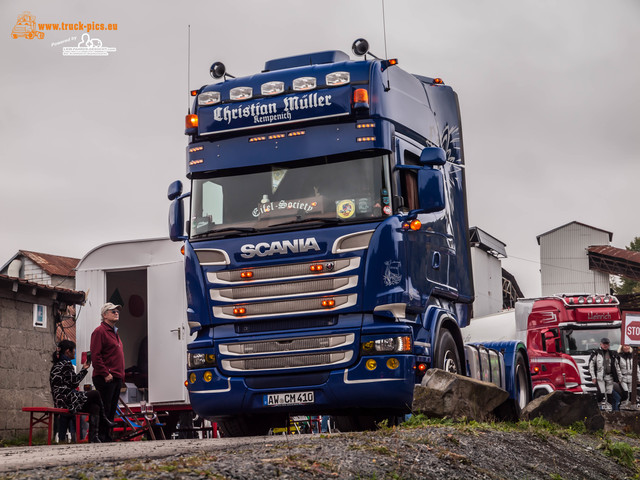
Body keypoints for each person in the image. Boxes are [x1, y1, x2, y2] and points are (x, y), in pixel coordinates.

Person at [50, 340, 114, 443]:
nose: (75, 352)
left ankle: (94, 437)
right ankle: (104, 419)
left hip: (61, 400)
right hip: (67, 400)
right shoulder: (66, 363)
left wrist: (84, 369)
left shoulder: (57, 364)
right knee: (95, 393)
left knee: (95, 407)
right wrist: (84, 369)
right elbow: (74, 383)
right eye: (73, 350)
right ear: (68, 351)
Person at [90, 302, 125, 442]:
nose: (116, 313)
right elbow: (95, 355)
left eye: (117, 311)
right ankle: (102, 436)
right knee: (105, 407)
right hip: (105, 377)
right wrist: (105, 373)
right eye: (113, 311)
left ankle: (108, 436)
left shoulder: (115, 332)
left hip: (116, 376)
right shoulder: (99, 331)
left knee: (112, 408)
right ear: (105, 315)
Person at [588, 337, 621, 412]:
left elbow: (617, 366)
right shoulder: (596, 353)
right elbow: (591, 365)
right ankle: (597, 406)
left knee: (609, 393)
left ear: (609, 345)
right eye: (604, 344)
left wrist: (619, 378)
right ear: (601, 344)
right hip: (600, 376)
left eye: (607, 344)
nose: (605, 345)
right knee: (601, 392)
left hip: (610, 376)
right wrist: (593, 377)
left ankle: (608, 409)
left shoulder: (612, 354)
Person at [617, 344, 640, 409]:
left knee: (631, 394)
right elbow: (617, 368)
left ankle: (629, 406)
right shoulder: (618, 356)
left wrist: (638, 378)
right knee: (625, 392)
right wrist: (619, 378)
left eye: (628, 346)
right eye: (625, 346)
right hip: (623, 377)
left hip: (632, 378)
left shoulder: (633, 356)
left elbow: (637, 368)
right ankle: (622, 406)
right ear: (622, 347)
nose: (626, 347)